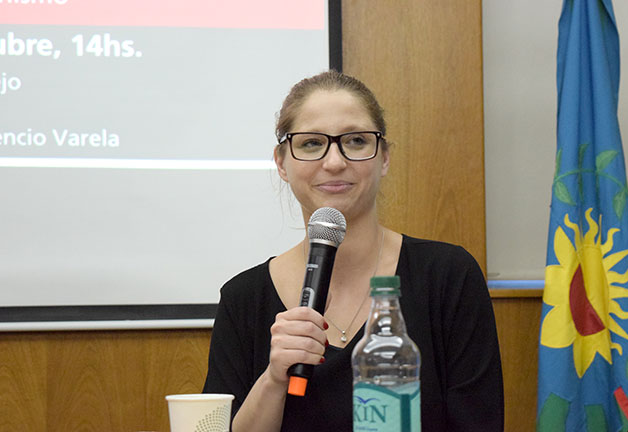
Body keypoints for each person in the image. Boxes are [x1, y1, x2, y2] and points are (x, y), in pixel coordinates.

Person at [203, 70, 504, 431]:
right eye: (312, 143)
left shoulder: (448, 276)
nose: (334, 162)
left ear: (385, 157)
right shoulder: (244, 299)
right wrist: (274, 379)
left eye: (357, 141)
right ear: (282, 163)